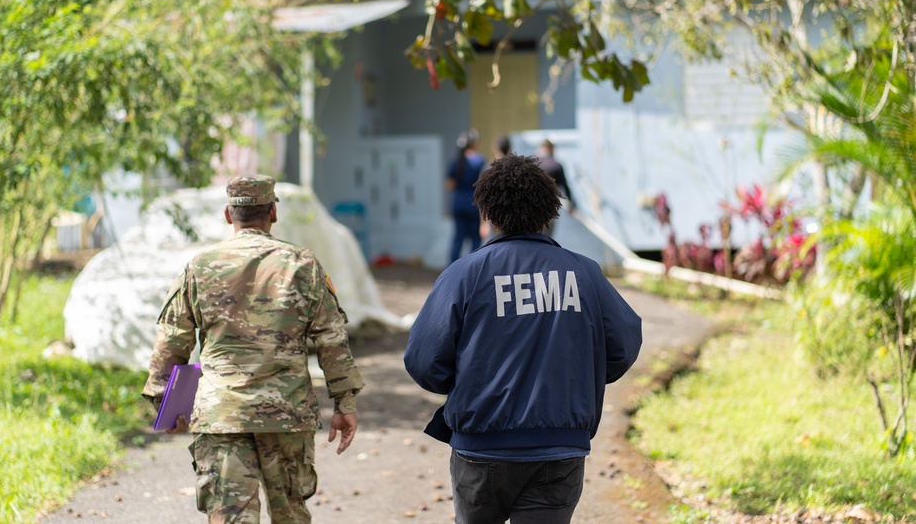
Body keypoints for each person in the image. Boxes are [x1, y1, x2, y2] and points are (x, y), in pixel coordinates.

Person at [404, 155, 643, 524]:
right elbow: (623, 345)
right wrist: (579, 378)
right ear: (550, 211)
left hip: (481, 449)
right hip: (560, 450)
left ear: (487, 212)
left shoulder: (465, 274)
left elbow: (424, 361)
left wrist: (468, 386)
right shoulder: (584, 273)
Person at [142, 175, 365, 524]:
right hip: (286, 414)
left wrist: (165, 404)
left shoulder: (200, 267)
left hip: (222, 416)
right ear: (273, 212)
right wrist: (344, 404)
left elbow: (172, 339)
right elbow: (331, 339)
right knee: (290, 515)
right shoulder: (303, 265)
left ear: (228, 215)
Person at [446, 129, 487, 263]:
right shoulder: (480, 160)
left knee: (458, 238)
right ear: (474, 143)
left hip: (458, 203)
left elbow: (450, 184)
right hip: (474, 204)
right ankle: (472, 267)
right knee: (475, 239)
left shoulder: (456, 160)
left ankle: (451, 267)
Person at [536, 139, 574, 237]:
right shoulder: (556, 165)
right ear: (552, 149)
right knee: (547, 237)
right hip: (550, 208)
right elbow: (565, 186)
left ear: (541, 149)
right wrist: (571, 204)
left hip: (533, 206)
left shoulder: (533, 164)